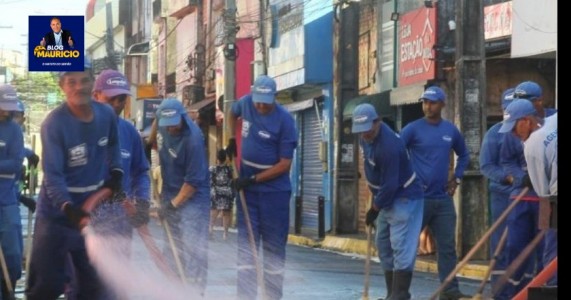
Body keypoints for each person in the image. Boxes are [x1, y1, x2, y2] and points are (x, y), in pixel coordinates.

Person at [25, 58, 124, 300]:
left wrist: (116, 174)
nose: (79, 87)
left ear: (93, 84)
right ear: (62, 86)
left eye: (84, 80)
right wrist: (68, 207)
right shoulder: (54, 124)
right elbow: (53, 175)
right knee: (47, 285)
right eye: (71, 82)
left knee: (92, 285)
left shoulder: (106, 116)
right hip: (57, 214)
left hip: (92, 210)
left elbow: (113, 147)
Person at [226, 75, 298, 300]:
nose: (260, 105)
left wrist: (254, 179)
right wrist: (230, 139)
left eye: (265, 101)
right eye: (257, 100)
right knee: (246, 250)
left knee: (273, 250)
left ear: (274, 98)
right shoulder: (246, 103)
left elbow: (285, 165)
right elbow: (231, 112)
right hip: (247, 190)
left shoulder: (285, 121)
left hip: (273, 193)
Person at [399, 86, 470, 300]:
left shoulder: (450, 131)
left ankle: (450, 291)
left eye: (432, 102)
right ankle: (399, 291)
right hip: (417, 199)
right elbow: (395, 153)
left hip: (442, 199)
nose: (427, 106)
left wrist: (456, 178)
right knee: (408, 246)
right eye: (425, 102)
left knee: (447, 247)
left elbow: (464, 154)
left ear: (442, 104)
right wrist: (404, 181)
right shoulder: (412, 129)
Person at [351, 103, 424, 300]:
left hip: (404, 196)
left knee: (400, 244)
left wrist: (375, 208)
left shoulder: (389, 146)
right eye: (361, 131)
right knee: (382, 243)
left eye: (367, 129)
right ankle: (392, 292)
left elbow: (390, 184)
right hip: (385, 197)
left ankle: (400, 294)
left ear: (377, 122)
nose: (364, 134)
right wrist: (372, 193)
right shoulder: (365, 138)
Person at [91, 69, 151, 298]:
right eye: (111, 98)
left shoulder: (129, 133)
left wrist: (143, 202)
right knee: (87, 286)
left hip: (119, 224)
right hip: (87, 224)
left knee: (117, 287)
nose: (117, 104)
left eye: (122, 99)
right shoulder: (79, 129)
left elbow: (141, 171)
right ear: (96, 95)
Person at [498, 80, 556, 297]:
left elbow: (544, 192)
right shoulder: (547, 124)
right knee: (517, 249)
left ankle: (542, 293)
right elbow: (506, 162)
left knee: (549, 253)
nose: (513, 133)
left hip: (548, 199)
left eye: (514, 126)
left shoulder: (537, 139)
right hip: (526, 198)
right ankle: (514, 292)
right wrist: (521, 178)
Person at [155, 98, 210, 296]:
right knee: (171, 246)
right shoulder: (162, 123)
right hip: (170, 189)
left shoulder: (193, 138)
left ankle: (194, 293)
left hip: (192, 195)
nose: (170, 129)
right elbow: (155, 127)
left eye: (174, 125)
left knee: (192, 246)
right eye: (166, 125)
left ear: (183, 118)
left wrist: (171, 205)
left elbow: (193, 182)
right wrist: (149, 142)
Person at [478, 88, 515, 300]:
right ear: (502, 109)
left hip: (529, 196)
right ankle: (500, 293)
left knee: (525, 246)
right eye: (506, 109)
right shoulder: (494, 134)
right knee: (501, 246)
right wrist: (508, 178)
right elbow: (486, 166)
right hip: (502, 196)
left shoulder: (529, 133)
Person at [0, 84, 25, 300]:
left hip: (7, 201)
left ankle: (10, 291)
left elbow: (16, 164)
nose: (6, 112)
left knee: (14, 255)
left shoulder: (14, 130)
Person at [209, 148, 235, 240]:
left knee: (213, 213)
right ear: (226, 158)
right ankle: (225, 234)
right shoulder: (229, 169)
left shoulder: (212, 169)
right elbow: (232, 181)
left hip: (216, 193)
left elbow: (210, 182)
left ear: (217, 158)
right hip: (227, 193)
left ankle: (210, 231)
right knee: (226, 214)